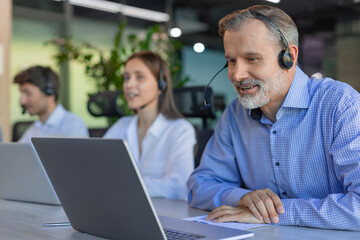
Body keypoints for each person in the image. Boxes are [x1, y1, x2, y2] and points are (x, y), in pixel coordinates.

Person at [188, 5, 360, 230]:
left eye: (252, 59)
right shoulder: (234, 115)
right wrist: (243, 199)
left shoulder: (340, 105)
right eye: (231, 61)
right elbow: (198, 186)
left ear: (289, 57)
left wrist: (272, 214)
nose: (238, 74)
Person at [104, 51, 196, 200]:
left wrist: (126, 185)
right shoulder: (121, 126)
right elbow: (96, 169)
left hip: (165, 216)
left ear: (161, 85)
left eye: (139, 77)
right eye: (126, 77)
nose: (129, 85)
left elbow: (179, 186)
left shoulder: (180, 129)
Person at [14, 65, 89, 143]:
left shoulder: (73, 126)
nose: (22, 102)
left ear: (49, 91)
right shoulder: (33, 129)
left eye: (28, 93)